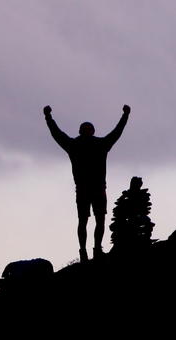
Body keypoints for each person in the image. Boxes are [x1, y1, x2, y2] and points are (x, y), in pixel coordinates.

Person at [44, 104, 130, 262]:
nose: (86, 131)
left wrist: (125, 116)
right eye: (83, 129)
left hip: (98, 188)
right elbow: (56, 134)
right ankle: (84, 252)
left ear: (92, 131)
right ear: (80, 131)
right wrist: (48, 117)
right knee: (84, 220)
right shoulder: (74, 145)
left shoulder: (99, 144)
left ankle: (97, 250)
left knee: (99, 219)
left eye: (88, 129)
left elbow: (117, 132)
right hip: (84, 188)